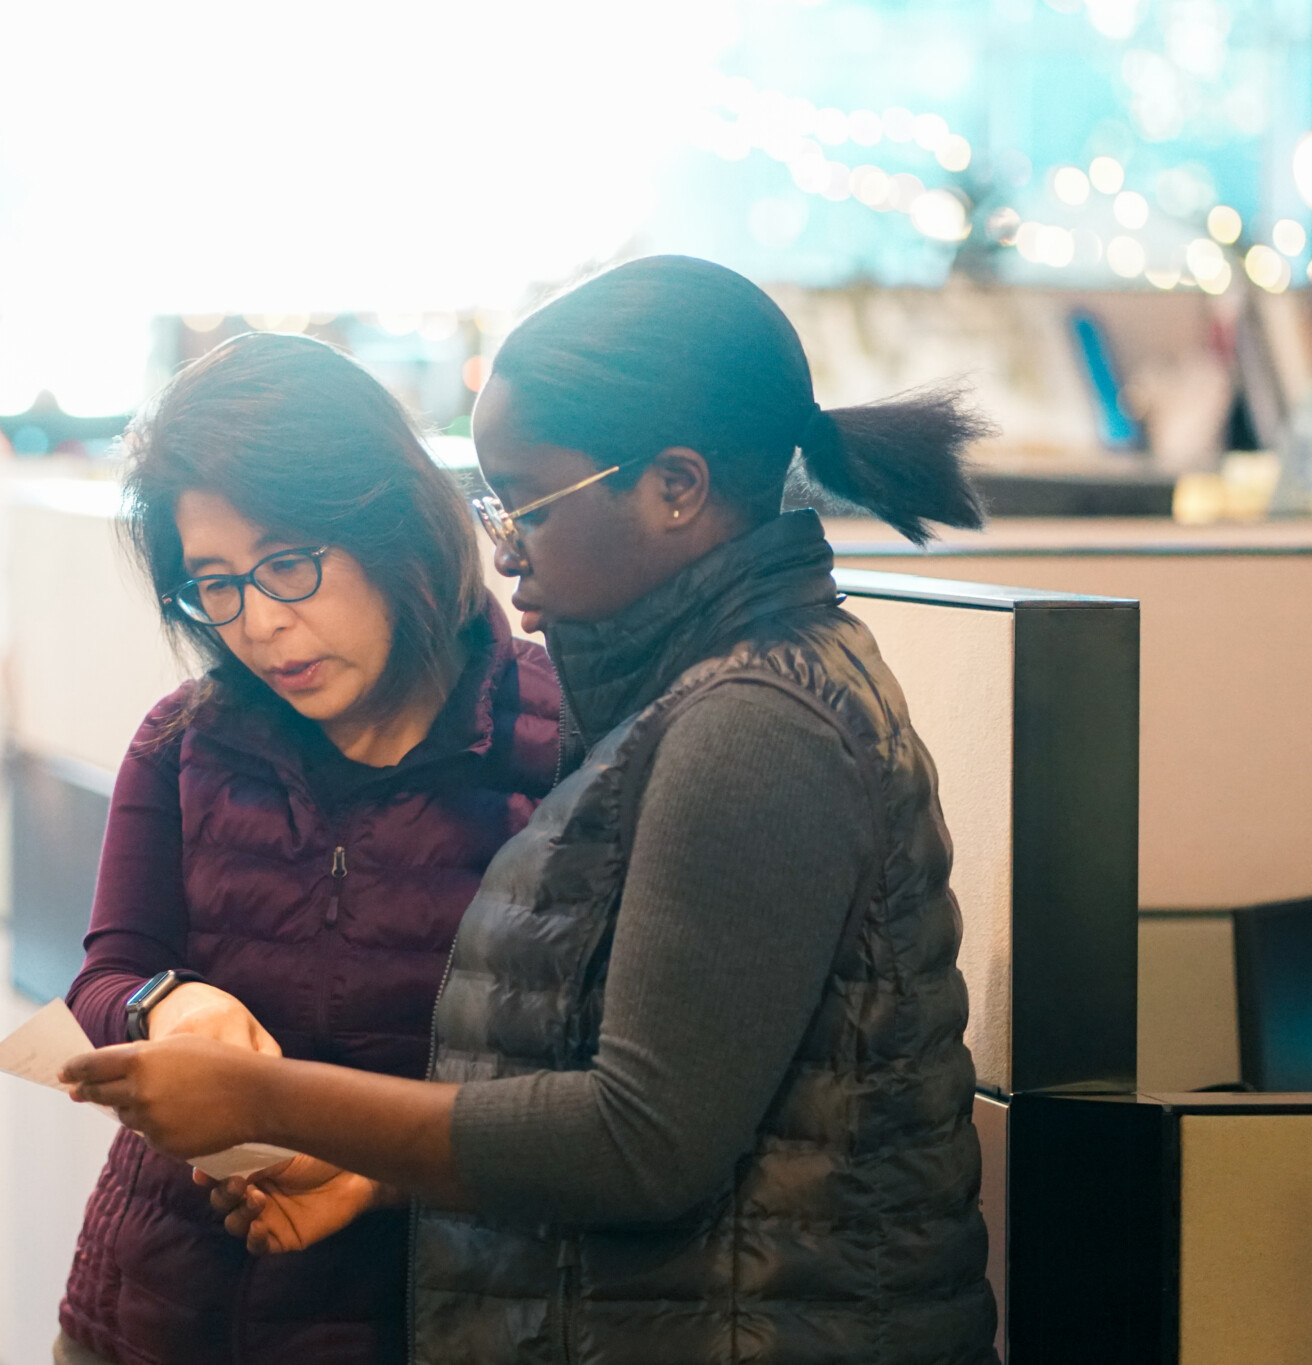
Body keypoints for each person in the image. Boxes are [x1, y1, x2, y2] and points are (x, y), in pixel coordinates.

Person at [62, 256, 1002, 1364]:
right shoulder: (691, 702)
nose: (506, 546)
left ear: (675, 487)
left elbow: (633, 1137)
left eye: (527, 506)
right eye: (213, 587)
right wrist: (170, 1018)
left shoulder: (741, 723)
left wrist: (268, 1102)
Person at [54, 331, 560, 1365]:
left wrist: (373, 1170)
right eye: (217, 585)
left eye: (288, 564)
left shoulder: (557, 745)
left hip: (418, 1313)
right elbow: (107, 972)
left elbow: (583, 1096)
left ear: (391, 525)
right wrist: (167, 1005)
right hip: (160, 1308)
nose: (263, 625)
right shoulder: (185, 740)